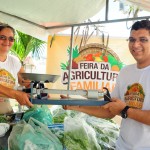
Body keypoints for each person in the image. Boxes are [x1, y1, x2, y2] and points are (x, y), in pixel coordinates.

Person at [62, 19, 150, 150]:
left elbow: (121, 109)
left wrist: (125, 110)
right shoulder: (125, 72)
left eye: (143, 40)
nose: (135, 45)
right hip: (122, 146)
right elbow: (109, 110)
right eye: (132, 40)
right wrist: (75, 106)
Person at [0, 23, 33, 114]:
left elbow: (25, 82)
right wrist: (16, 94)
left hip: (6, 113)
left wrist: (40, 92)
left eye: (11, 39)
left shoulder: (14, 61)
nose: (7, 42)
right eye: (2, 37)